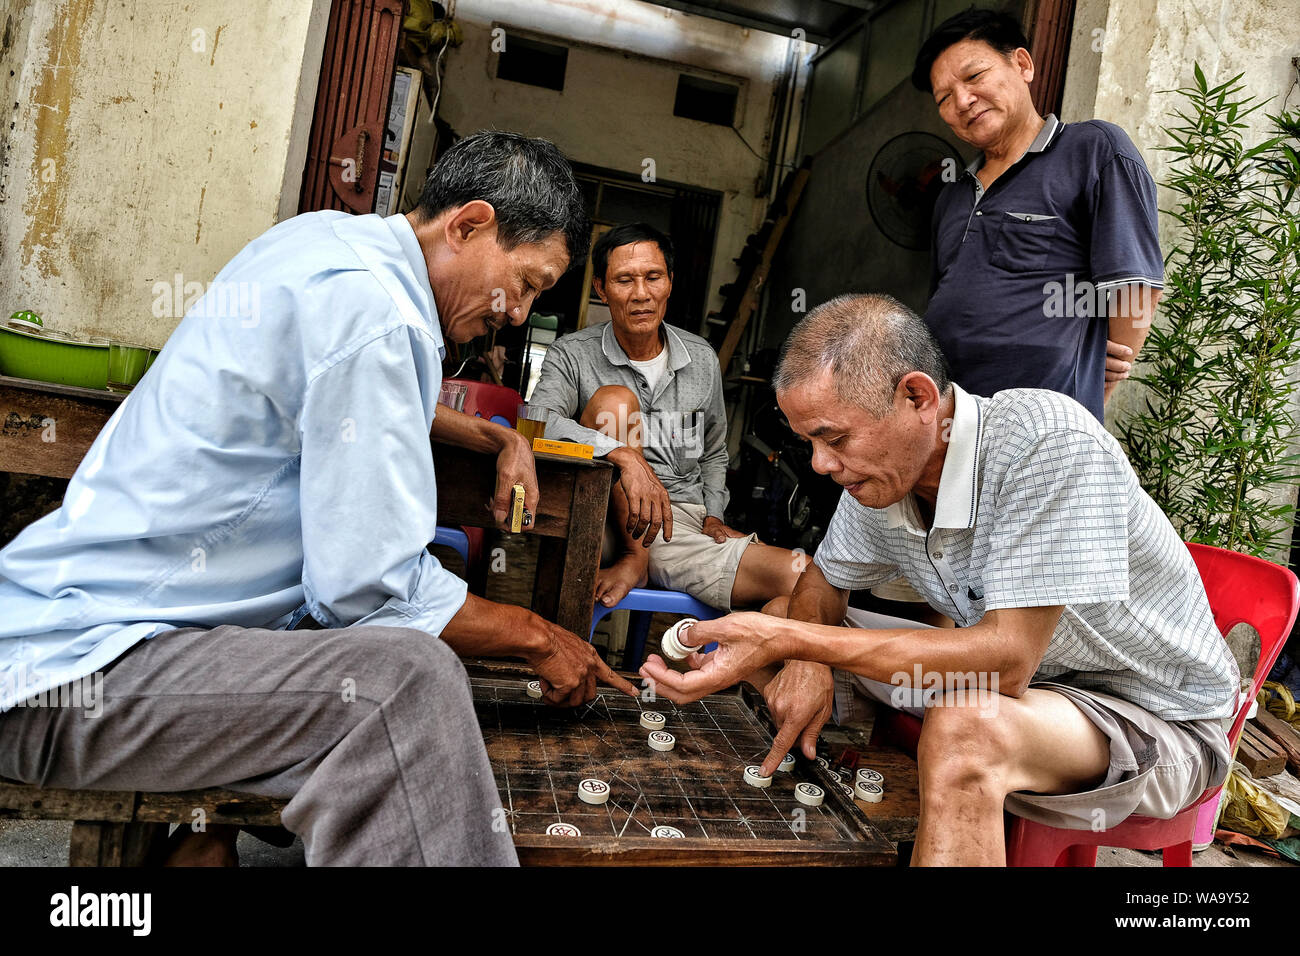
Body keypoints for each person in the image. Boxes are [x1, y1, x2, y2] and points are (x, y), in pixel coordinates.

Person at [0, 131, 636, 867]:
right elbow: (368, 589)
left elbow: (367, 400)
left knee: (352, 641)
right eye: (525, 283)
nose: (520, 313)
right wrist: (537, 635)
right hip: (72, 673)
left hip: (82, 639)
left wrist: (498, 439)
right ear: (468, 225)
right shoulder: (377, 313)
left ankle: (203, 845)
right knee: (405, 689)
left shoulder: (330, 245)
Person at [641, 293, 1239, 866]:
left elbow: (1007, 663)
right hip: (1033, 696)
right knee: (779, 614)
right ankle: (861, 819)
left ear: (917, 396)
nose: (821, 464)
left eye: (835, 438)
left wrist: (799, 645)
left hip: (1157, 722)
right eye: (810, 443)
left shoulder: (1046, 443)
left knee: (966, 725)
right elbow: (821, 584)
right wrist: (802, 658)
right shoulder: (882, 478)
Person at [529, 222, 804, 614]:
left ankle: (733, 664)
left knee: (803, 581)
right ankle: (635, 559)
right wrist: (622, 456)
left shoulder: (701, 358)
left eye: (653, 277)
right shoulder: (572, 354)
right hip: (604, 517)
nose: (641, 294)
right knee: (615, 403)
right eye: (624, 280)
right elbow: (536, 423)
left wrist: (713, 514)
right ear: (601, 290)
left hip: (683, 522)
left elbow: (713, 452)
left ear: (670, 283)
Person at [914, 8, 1164, 421]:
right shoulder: (952, 197)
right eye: (944, 97)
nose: (962, 101)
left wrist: (1092, 390)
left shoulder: (1092, 150)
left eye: (974, 77)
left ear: (1023, 64)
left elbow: (1135, 287)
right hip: (951, 422)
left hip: (1041, 424)